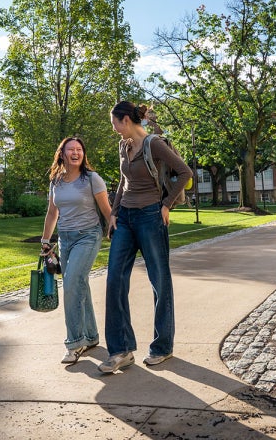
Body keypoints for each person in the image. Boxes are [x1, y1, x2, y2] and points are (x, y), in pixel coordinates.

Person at [98, 101, 193, 373]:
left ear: (125, 120)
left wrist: (166, 205)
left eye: (114, 122)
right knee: (115, 279)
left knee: (159, 282)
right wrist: (114, 213)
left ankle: (162, 346)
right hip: (125, 218)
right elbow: (123, 182)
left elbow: (185, 173)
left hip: (151, 217)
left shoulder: (154, 145)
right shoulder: (123, 146)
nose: (114, 128)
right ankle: (120, 350)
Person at [41, 137, 111, 365]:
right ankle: (91, 337)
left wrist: (115, 229)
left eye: (79, 149)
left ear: (83, 154)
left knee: (71, 283)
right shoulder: (56, 181)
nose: (75, 152)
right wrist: (45, 240)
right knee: (80, 283)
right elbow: (53, 213)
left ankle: (74, 343)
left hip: (88, 236)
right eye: (70, 149)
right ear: (61, 154)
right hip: (65, 239)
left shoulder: (92, 179)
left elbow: (107, 210)